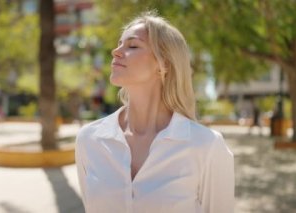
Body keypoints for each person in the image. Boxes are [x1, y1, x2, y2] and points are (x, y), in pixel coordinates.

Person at [75, 11, 234, 213]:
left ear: (164, 64)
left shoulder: (207, 146)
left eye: (132, 46)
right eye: (119, 44)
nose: (116, 51)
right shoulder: (89, 140)